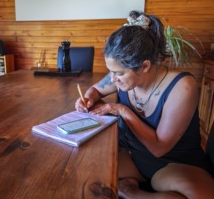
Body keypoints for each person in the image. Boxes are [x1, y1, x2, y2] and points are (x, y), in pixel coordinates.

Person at [75, 10, 214, 198]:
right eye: (111, 71)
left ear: (145, 66)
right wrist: (87, 99)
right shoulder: (120, 73)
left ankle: (131, 192)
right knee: (80, 168)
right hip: (133, 155)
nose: (113, 79)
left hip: (172, 162)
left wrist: (122, 110)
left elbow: (159, 148)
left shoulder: (182, 86)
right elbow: (96, 90)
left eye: (119, 73)